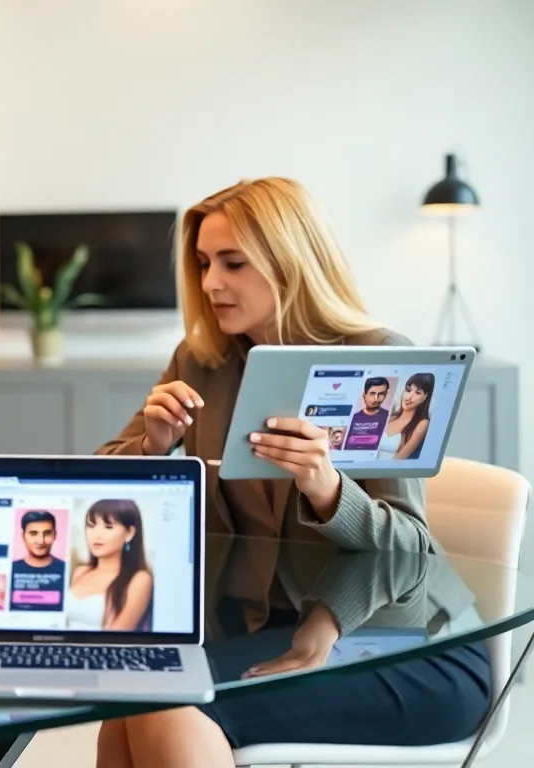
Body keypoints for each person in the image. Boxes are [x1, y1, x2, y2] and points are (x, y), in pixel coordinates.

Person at [93, 178, 489, 767]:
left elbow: (409, 552)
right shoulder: (200, 362)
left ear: (290, 263)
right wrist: (152, 449)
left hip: (407, 648)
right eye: (203, 263)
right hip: (260, 633)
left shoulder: (379, 359)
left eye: (233, 263)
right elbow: (98, 490)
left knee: (168, 699)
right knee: (135, 691)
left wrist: (328, 490)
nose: (210, 283)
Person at [64, 499, 153, 631]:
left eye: (108, 527)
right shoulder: (81, 572)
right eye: (91, 525)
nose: (96, 535)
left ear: (129, 533)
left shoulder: (139, 579)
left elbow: (119, 636)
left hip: (106, 648)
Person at [378, 372, 434, 460]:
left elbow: (400, 458)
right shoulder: (391, 416)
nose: (409, 397)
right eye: (408, 390)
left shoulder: (423, 423)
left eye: (418, 393)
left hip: (387, 471)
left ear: (425, 397)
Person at [346, 376, 391, 450]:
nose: (376, 399)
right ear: (364, 394)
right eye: (372, 393)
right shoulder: (352, 418)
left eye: (381, 394)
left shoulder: (389, 417)